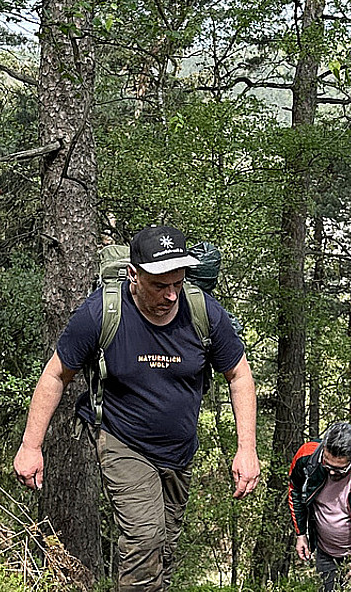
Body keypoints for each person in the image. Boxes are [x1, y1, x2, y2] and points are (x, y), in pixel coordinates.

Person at [14, 224, 260, 592]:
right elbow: (55, 376)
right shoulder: (101, 313)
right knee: (144, 539)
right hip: (121, 440)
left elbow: (239, 375)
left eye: (177, 284)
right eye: (160, 286)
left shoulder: (202, 311)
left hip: (178, 452)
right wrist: (31, 446)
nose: (172, 295)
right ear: (134, 275)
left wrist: (247, 449)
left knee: (164, 551)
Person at [288, 422, 351, 592]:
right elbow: (295, 491)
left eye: (338, 470)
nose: (330, 472)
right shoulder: (307, 456)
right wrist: (301, 534)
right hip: (325, 551)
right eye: (326, 464)